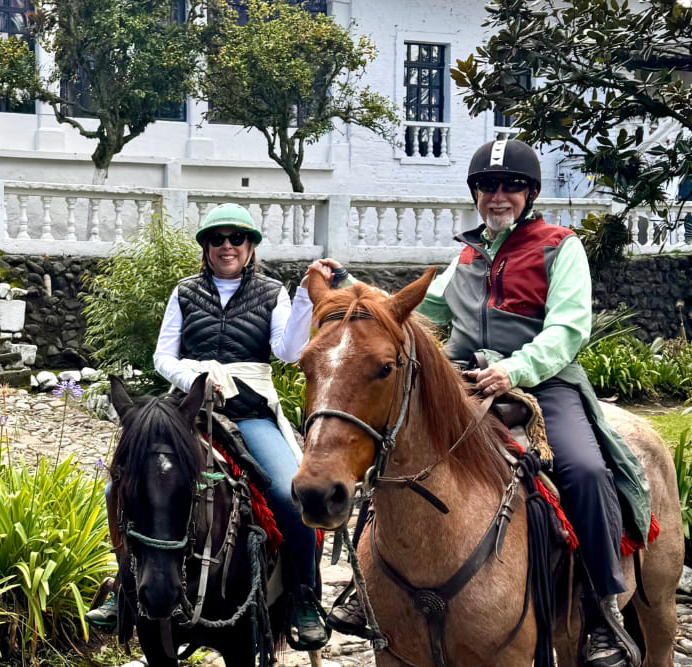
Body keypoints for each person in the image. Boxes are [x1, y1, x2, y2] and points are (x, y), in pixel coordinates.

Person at [330, 139, 651, 667]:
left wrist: (513, 370)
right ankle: (366, 594)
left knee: (588, 471)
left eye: (510, 186)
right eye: (487, 186)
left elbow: (568, 329)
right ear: (476, 193)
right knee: (392, 453)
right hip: (464, 380)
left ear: (530, 192)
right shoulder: (468, 253)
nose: (498, 195)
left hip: (541, 383)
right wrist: (349, 282)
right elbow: (417, 306)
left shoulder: (560, 245)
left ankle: (600, 613)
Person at [86, 203, 334, 651]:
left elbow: (287, 352)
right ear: (205, 247)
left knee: (286, 492)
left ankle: (303, 596)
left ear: (250, 246)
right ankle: (126, 587)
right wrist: (197, 376)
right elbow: (164, 355)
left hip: (249, 410)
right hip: (189, 408)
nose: (226, 246)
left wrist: (301, 300)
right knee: (119, 487)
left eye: (236, 238)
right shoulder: (184, 291)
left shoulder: (272, 292)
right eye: (216, 238)